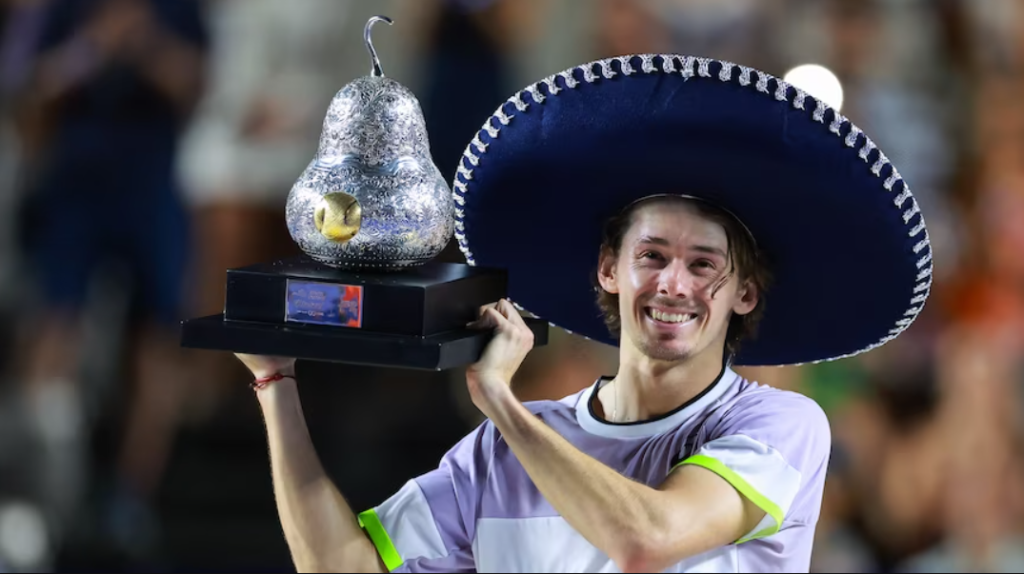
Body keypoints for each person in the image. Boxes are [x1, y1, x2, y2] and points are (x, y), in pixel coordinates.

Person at [235, 52, 932, 572]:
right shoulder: (502, 448)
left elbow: (645, 540)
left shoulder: (781, 424)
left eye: (704, 264)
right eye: (651, 255)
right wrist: (276, 383)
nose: (674, 285)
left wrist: (502, 405)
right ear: (609, 270)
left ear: (743, 294)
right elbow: (338, 565)